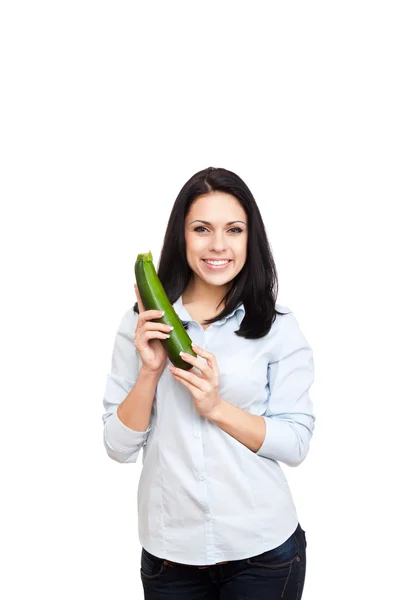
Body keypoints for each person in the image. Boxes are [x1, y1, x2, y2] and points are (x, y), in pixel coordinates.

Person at [102, 166, 315, 599]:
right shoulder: (142, 323)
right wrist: (149, 372)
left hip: (263, 553)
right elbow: (117, 447)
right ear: (181, 237)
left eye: (233, 230)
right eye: (202, 229)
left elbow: (295, 443)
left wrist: (217, 408)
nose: (218, 245)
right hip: (170, 556)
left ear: (249, 239)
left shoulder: (277, 327)